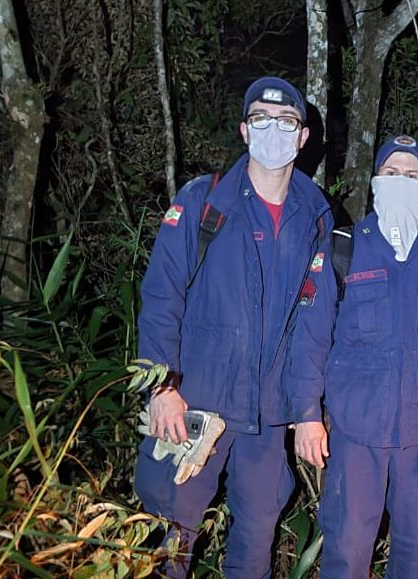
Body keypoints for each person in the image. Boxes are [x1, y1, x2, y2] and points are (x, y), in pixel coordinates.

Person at [134, 76, 334, 578]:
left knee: (255, 542)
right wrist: (161, 385)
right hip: (195, 401)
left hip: (267, 417)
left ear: (303, 136)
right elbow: (162, 295)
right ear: (245, 131)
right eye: (261, 120)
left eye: (286, 122)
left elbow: (312, 319)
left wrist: (307, 409)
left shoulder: (315, 214)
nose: (274, 131)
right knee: (168, 539)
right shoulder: (206, 201)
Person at [298, 135, 418, 579]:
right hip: (354, 432)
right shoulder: (342, 247)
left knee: (415, 549)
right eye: (391, 174)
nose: (400, 182)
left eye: (411, 175)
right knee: (347, 548)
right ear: (374, 181)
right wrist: (307, 414)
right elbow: (310, 337)